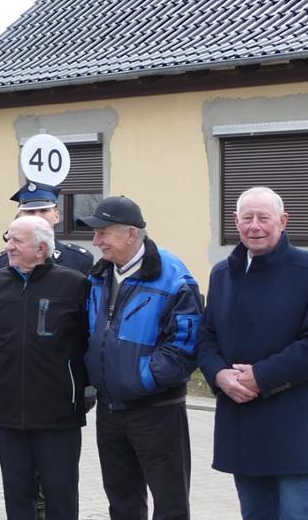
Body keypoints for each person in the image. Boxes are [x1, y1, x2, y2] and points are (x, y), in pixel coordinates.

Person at [198, 187, 308, 520]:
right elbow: (206, 338)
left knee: (297, 513)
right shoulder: (223, 274)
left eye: (264, 218)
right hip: (241, 418)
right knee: (255, 513)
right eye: (247, 218)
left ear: (283, 221)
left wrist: (261, 376)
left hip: (293, 420)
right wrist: (220, 375)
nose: (255, 226)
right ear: (235, 221)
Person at [80, 196, 201, 520]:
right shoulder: (99, 275)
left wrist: (142, 379)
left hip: (156, 409)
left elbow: (186, 344)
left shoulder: (173, 276)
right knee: (122, 503)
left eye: (103, 232)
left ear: (131, 234)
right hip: (110, 410)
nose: (96, 241)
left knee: (170, 504)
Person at [0, 215, 91, 520]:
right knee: (17, 494)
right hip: (8, 412)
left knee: (60, 494)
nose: (9, 246)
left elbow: (87, 340)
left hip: (58, 413)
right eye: (8, 239)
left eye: (17, 241)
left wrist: (86, 388)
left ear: (41, 248)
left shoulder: (74, 285)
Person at [0, 184, 94, 275]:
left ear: (56, 217)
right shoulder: (2, 262)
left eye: (44, 210)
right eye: (30, 212)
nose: (37, 216)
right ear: (20, 216)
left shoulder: (79, 260)